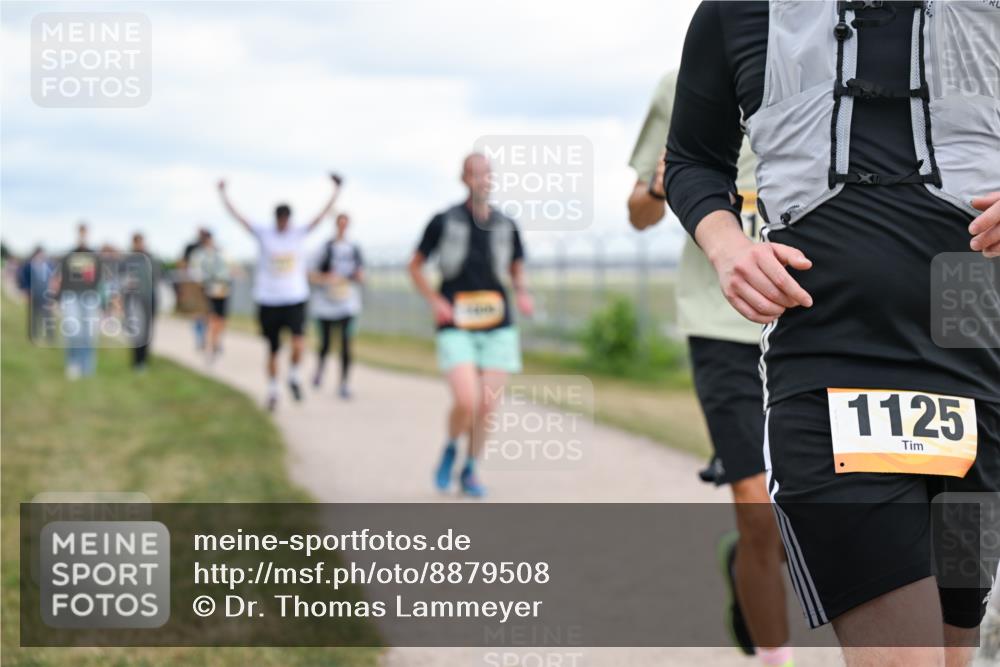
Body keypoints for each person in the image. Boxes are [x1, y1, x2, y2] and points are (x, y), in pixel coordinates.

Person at [665, 2, 999, 665]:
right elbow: (692, 158)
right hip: (827, 357)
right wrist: (730, 247)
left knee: (955, 649)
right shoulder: (739, 13)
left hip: (978, 364)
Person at [628, 69, 791, 666]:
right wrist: (662, 184)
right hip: (719, 321)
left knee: (811, 519)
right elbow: (639, 214)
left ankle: (747, 560)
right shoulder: (685, 80)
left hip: (811, 320)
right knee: (757, 509)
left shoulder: (845, 53)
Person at [408, 153, 534, 497]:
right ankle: (450, 448)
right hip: (456, 323)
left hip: (498, 325)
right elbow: (415, 265)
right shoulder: (443, 221)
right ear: (464, 178)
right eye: (476, 174)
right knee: (467, 401)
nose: (483, 180)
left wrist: (522, 293)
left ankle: (471, 468)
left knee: (488, 406)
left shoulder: (506, 224)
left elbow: (517, 266)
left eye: (487, 174)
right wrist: (435, 301)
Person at [218, 174, 342, 411]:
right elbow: (238, 217)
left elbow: (321, 215)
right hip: (268, 299)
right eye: (280, 220)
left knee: (298, 343)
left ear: (290, 219)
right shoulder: (264, 232)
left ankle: (294, 375)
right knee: (273, 349)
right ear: (276, 219)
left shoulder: (298, 232)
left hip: (294, 297)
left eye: (286, 220)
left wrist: (336, 191)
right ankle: (274, 389)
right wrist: (223, 194)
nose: (283, 224)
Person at [308, 212, 364, 399]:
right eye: (340, 223)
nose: (343, 227)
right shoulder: (325, 248)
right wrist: (326, 279)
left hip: (347, 303)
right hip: (325, 304)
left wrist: (356, 277)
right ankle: (320, 370)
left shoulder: (355, 248)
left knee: (346, 345)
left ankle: (344, 383)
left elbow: (361, 274)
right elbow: (310, 274)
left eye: (345, 224)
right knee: (325, 343)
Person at [53, 223, 100, 379]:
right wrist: (57, 298)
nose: (82, 236)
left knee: (88, 334)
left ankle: (87, 366)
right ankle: (73, 363)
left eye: (85, 233)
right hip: (72, 295)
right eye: (80, 233)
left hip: (89, 297)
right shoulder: (69, 255)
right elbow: (62, 278)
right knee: (73, 331)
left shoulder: (93, 255)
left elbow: (99, 279)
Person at [189, 231, 231, 364]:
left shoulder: (220, 253)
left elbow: (228, 269)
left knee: (220, 320)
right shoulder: (199, 255)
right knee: (210, 320)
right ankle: (209, 347)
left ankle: (215, 343)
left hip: (221, 289)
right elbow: (195, 273)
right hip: (207, 290)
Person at [124, 232, 159, 372]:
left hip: (149, 300)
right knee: (137, 333)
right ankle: (136, 361)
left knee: (148, 332)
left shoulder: (150, 259)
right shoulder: (128, 260)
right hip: (135, 301)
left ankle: (144, 360)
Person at [181, 228, 211, 350]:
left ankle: (204, 336)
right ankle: (199, 338)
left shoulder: (210, 249)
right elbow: (184, 265)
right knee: (196, 313)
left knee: (206, 313)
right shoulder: (191, 248)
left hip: (207, 284)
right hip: (194, 284)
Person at [18, 246, 54, 342]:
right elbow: (23, 278)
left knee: (47, 316)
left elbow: (52, 279)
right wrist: (26, 290)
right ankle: (33, 336)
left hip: (45, 295)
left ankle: (50, 337)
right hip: (33, 294)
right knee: (34, 316)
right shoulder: (29, 265)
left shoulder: (48, 265)